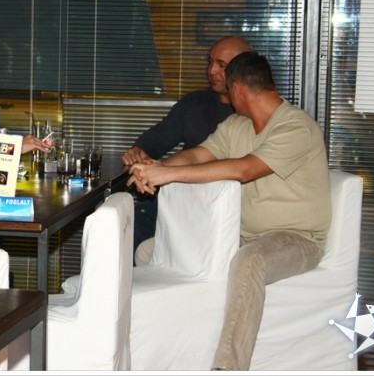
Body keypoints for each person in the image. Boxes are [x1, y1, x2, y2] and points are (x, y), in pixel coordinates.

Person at [128, 51, 330, 370]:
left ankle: (228, 367)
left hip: (298, 240)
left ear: (237, 89)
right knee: (150, 250)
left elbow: (244, 169)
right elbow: (197, 156)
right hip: (243, 236)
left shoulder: (296, 127)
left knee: (250, 261)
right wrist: (157, 168)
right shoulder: (237, 125)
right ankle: (175, 344)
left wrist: (166, 175)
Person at [122, 36, 252, 257]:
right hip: (181, 200)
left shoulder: (252, 112)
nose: (211, 70)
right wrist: (140, 152)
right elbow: (159, 138)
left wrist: (163, 171)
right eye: (210, 62)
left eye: (221, 65)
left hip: (227, 210)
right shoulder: (194, 103)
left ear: (243, 68)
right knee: (125, 226)